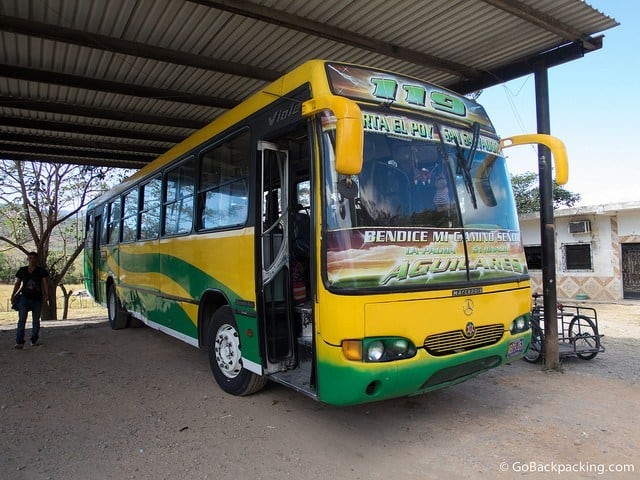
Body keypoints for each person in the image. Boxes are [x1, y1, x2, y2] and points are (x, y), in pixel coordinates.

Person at [11, 252, 50, 349]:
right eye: (30, 258)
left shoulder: (41, 271)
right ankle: (19, 342)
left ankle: (34, 339)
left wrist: (46, 294)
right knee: (21, 320)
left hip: (37, 298)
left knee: (35, 320)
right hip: (24, 298)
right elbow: (18, 283)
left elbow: (45, 282)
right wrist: (13, 294)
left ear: (36, 259)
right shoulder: (22, 270)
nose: (32, 260)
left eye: (34, 258)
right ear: (27, 259)